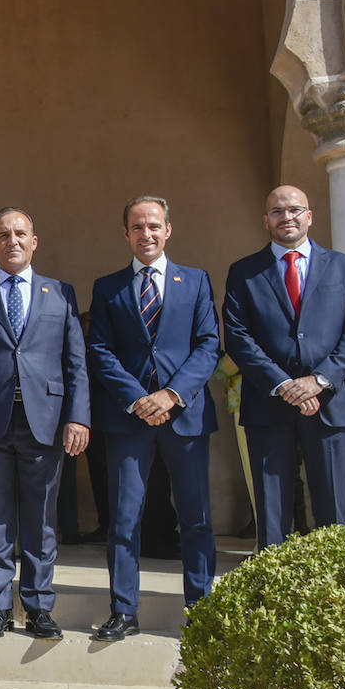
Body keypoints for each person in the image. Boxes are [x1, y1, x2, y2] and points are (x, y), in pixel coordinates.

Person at [0, 208, 89, 640]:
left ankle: (39, 606)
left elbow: (76, 364)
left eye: (20, 233)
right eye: (3, 235)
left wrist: (78, 416)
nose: (12, 240)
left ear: (34, 241)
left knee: (41, 517)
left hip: (43, 422)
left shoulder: (60, 293)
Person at [86, 196, 220, 641]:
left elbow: (208, 345)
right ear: (126, 233)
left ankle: (201, 609)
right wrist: (138, 398)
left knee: (196, 516)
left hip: (184, 416)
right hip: (128, 420)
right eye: (137, 227)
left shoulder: (196, 281)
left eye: (154, 226)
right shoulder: (108, 287)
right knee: (124, 520)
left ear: (168, 230)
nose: (146, 234)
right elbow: (100, 351)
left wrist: (171, 395)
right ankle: (124, 610)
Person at [222, 185, 345, 549]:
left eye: (294, 210)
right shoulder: (244, 272)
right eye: (277, 211)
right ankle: (275, 591)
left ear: (309, 216)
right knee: (272, 513)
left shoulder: (343, 266)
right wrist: (285, 385)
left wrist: (319, 381)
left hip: (329, 405)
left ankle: (334, 591)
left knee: (333, 511)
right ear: (266, 221)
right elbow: (238, 337)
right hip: (268, 406)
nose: (286, 217)